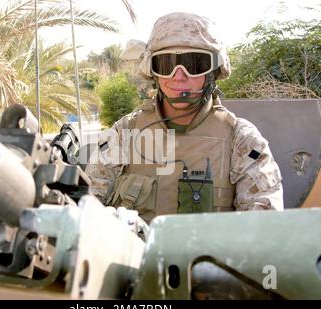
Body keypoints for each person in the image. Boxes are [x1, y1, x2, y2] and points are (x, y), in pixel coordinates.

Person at [85, 12, 283, 224]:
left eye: (195, 64)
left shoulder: (241, 140)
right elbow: (88, 211)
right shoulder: (124, 133)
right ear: (153, 72)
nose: (179, 76)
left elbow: (264, 229)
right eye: (166, 64)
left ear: (213, 72)